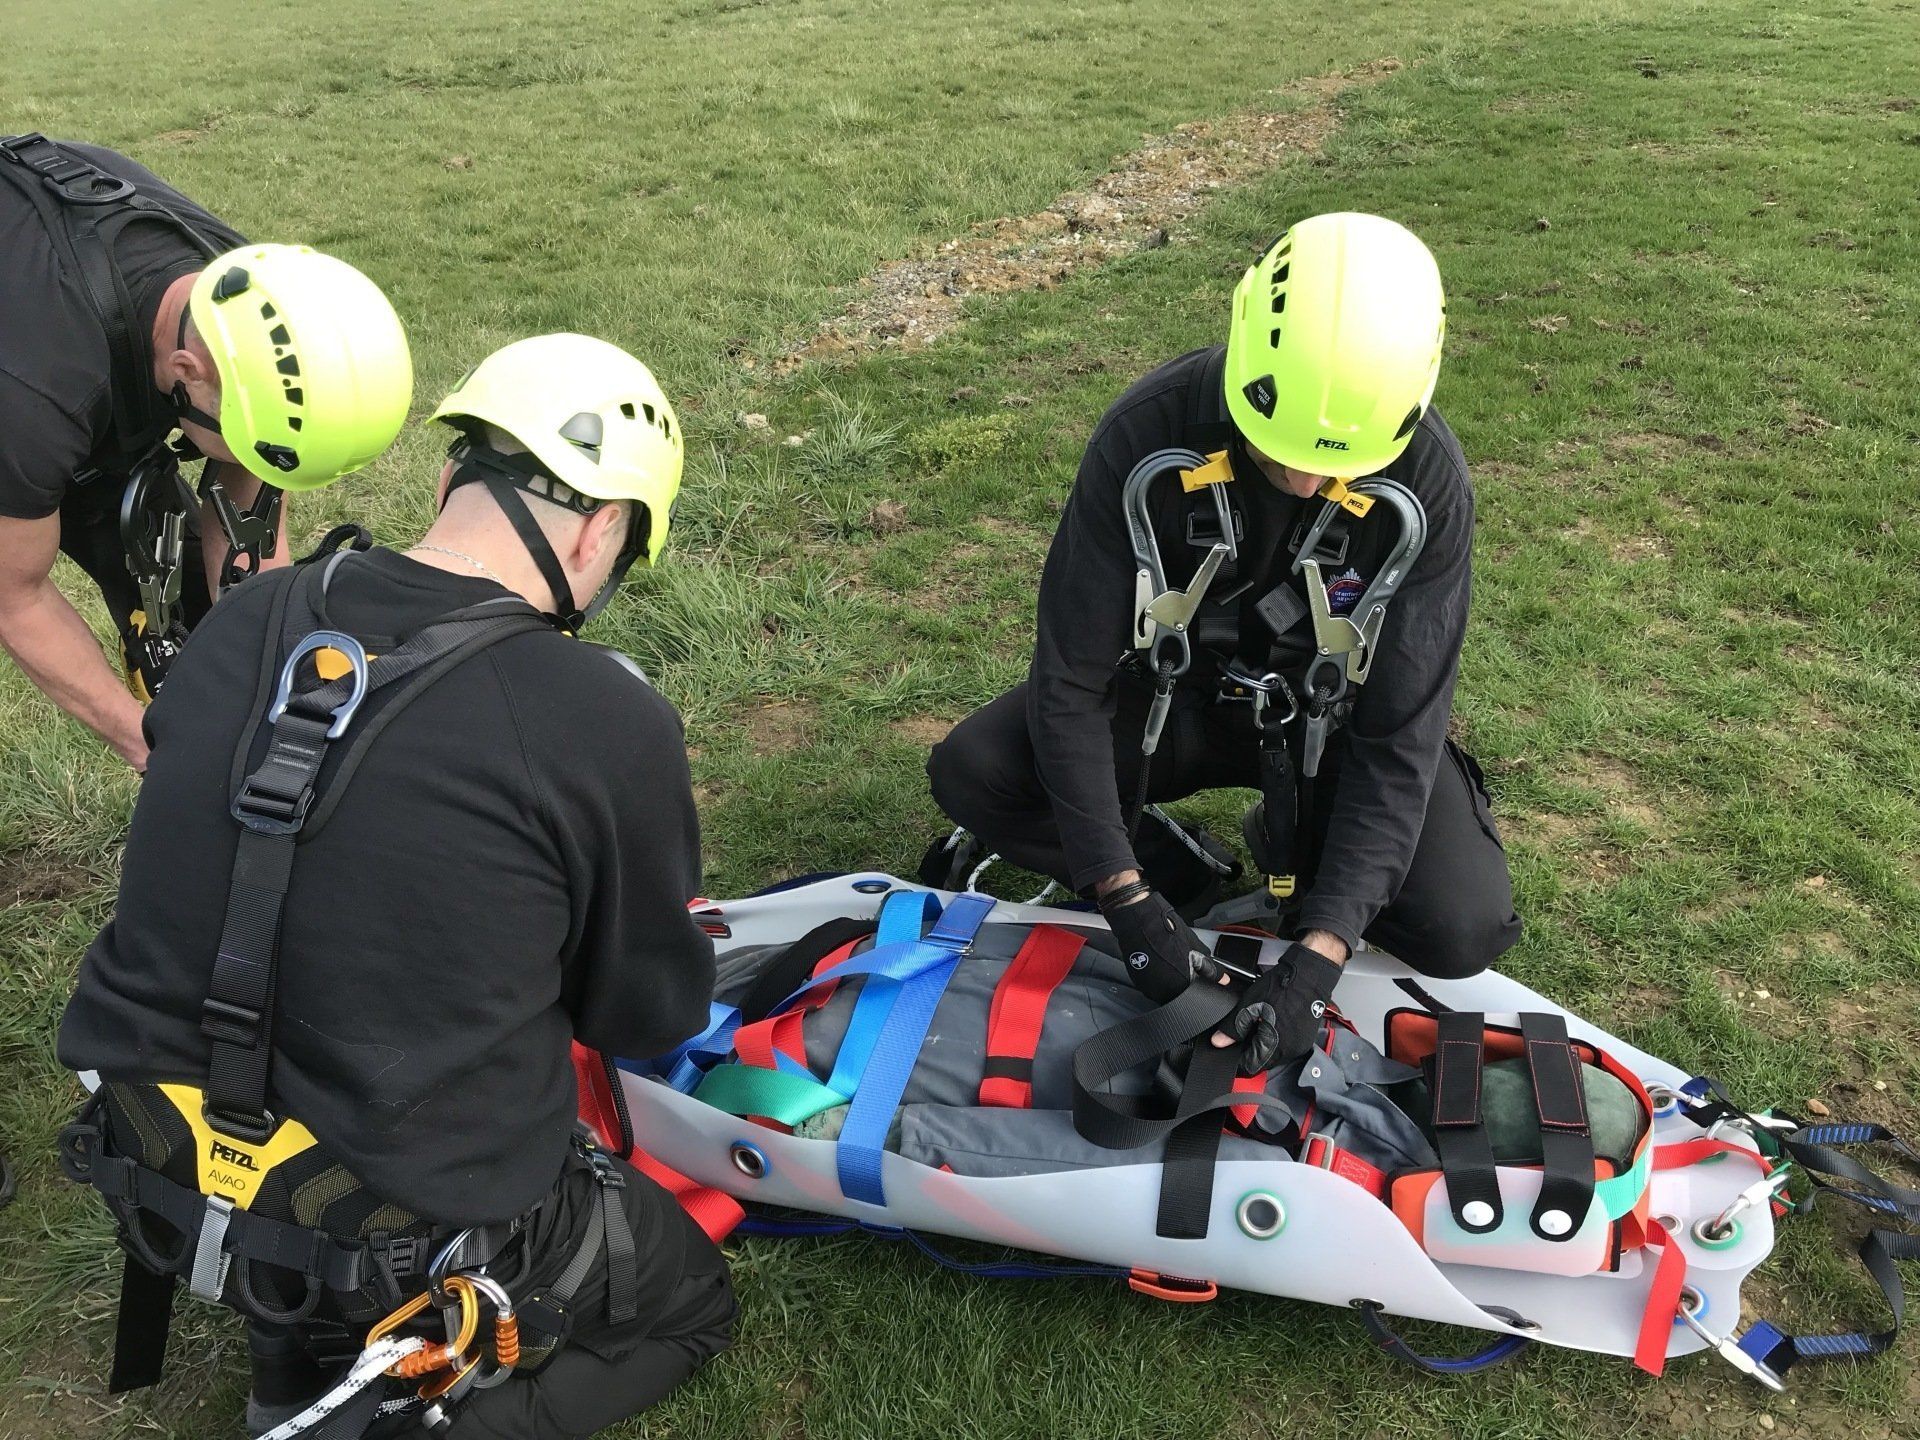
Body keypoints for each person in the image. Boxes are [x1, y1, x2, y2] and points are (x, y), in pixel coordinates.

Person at [56, 334, 732, 1439]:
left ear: (446, 480)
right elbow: (642, 1014)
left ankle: (295, 1346)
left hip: (152, 1143)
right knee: (689, 1300)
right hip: (390, 1213)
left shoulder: (243, 622)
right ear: (605, 528)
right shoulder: (602, 716)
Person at [926, 212, 1521, 1072]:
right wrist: (1124, 896)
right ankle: (1180, 869)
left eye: (1339, 463)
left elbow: (1401, 733)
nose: (1312, 482)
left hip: (1331, 728)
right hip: (1178, 701)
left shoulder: (1427, 483)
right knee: (977, 770)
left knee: (1460, 925)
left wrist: (1322, 951)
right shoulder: (1147, 438)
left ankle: (1301, 848)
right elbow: (1072, 683)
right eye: (1286, 456)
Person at [0, 134, 410, 768]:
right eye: (248, 443)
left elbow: (246, 524)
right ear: (187, 369)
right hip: (29, 362)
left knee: (197, 605)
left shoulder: (247, 294)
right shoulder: (38, 398)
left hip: (67, 316)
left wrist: (275, 661)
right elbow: (14, 596)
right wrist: (147, 743)